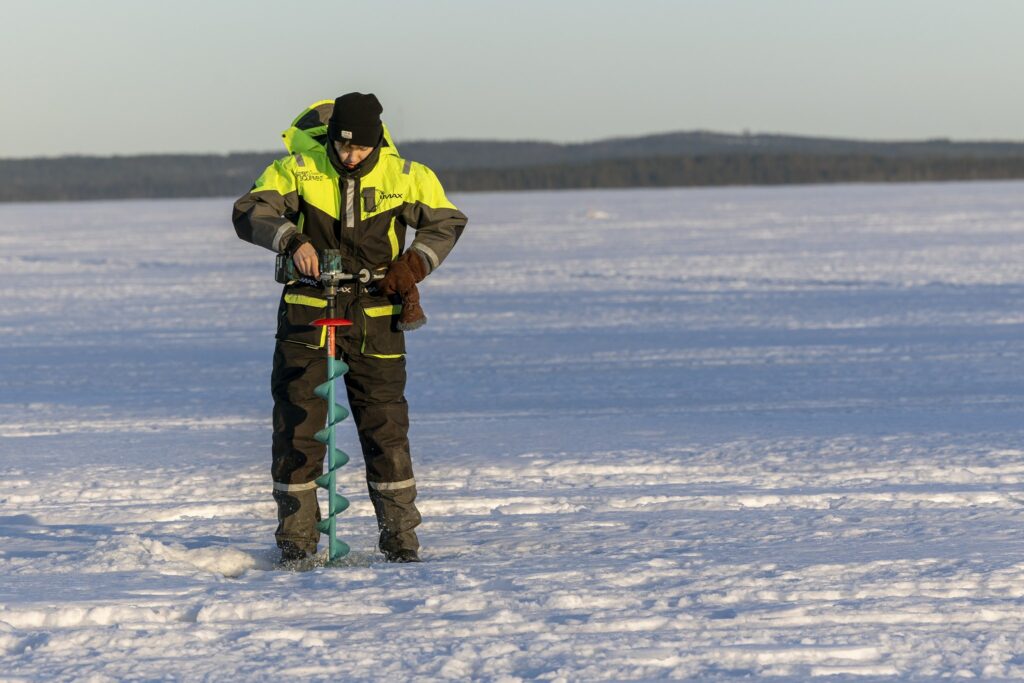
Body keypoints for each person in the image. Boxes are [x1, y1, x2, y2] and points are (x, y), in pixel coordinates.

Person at [232, 93, 467, 563]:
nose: (349, 156)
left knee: (386, 430)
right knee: (298, 431)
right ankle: (297, 546)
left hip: (376, 319)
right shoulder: (297, 170)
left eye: (358, 149)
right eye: (341, 147)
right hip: (307, 316)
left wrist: (415, 264)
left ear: (377, 140)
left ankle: (400, 541)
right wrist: (291, 239)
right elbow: (248, 210)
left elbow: (446, 222)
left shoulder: (405, 177)